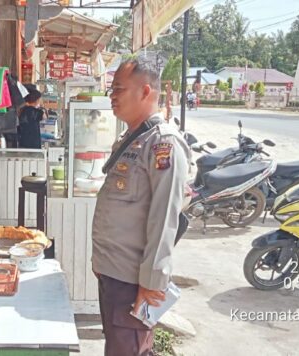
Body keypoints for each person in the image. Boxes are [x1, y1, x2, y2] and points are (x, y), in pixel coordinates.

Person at [92, 57, 191, 355]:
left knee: (129, 350)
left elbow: (164, 219)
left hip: (135, 281)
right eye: (112, 89)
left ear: (145, 91)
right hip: (114, 272)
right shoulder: (133, 138)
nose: (112, 95)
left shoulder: (163, 144)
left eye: (118, 88)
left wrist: (152, 283)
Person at [17, 84, 46, 149]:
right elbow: (44, 116)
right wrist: (41, 107)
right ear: (36, 100)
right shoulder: (34, 111)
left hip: (23, 141)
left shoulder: (23, 109)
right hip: (33, 143)